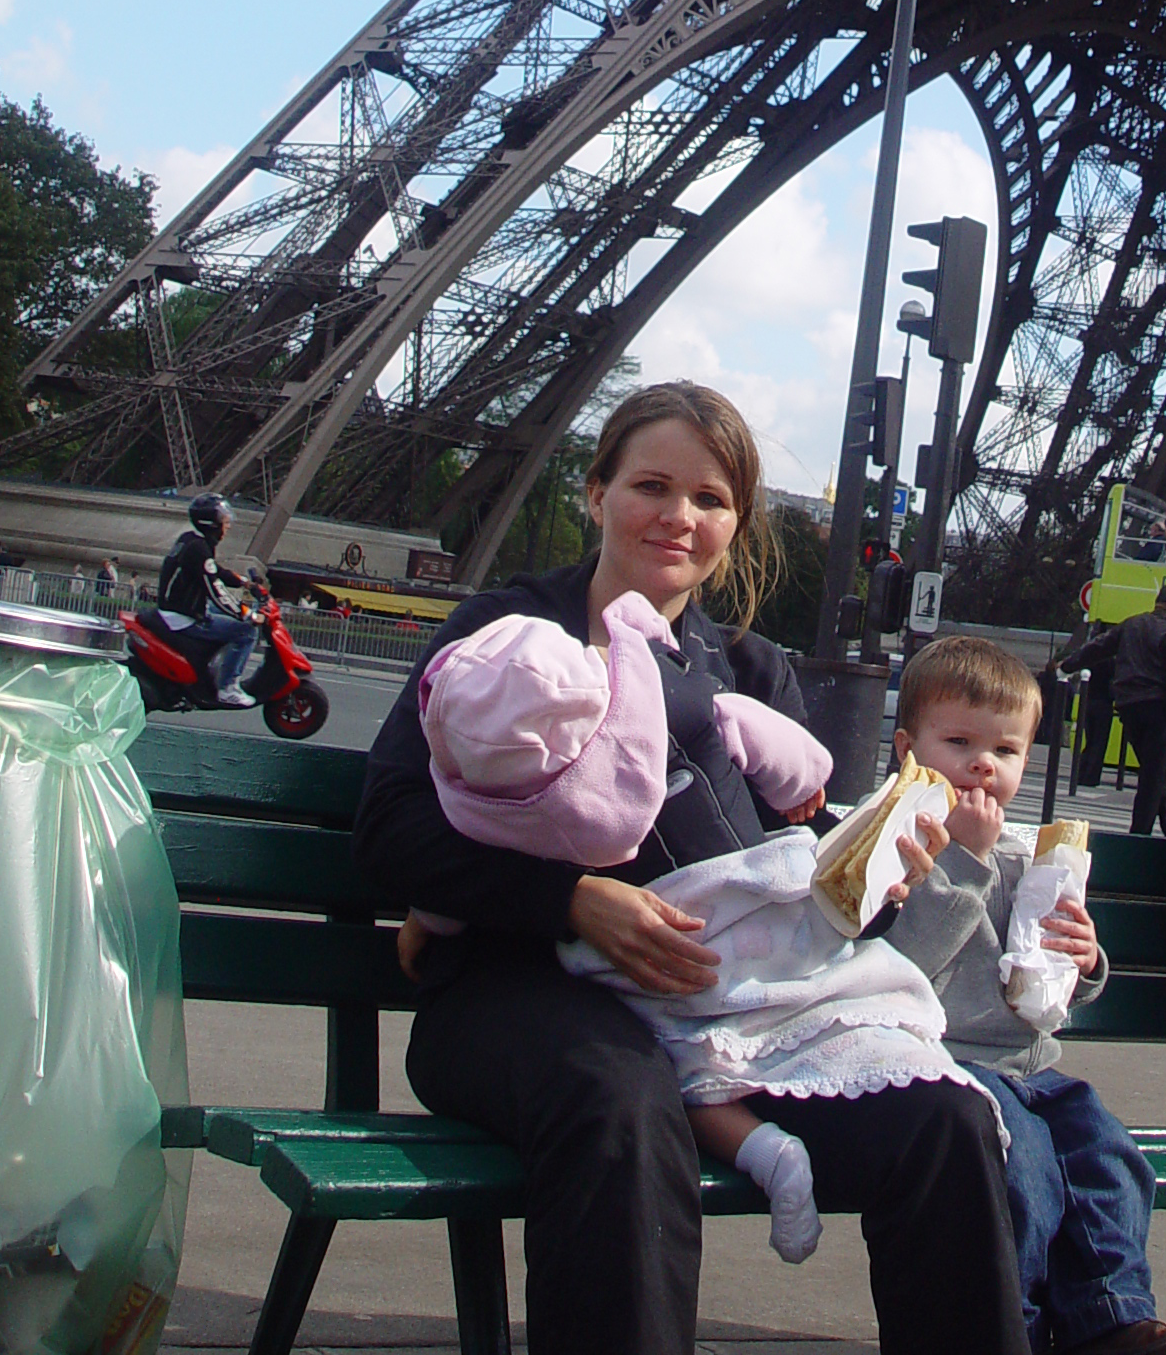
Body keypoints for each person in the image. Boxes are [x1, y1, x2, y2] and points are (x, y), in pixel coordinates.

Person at [354, 381, 1028, 1355]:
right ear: (597, 492)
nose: (679, 516)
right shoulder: (507, 636)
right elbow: (388, 826)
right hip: (516, 991)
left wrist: (884, 874)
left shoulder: (753, 675)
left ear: (738, 523)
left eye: (710, 499)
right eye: (652, 485)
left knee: (946, 1122)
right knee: (623, 1101)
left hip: (741, 1018)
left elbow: (806, 891)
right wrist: (571, 901)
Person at [887, 634, 1166, 1355]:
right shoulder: (898, 850)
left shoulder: (1026, 854)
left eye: (1006, 752)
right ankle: (1020, 1327)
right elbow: (904, 970)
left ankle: (1114, 1317)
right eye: (959, 742)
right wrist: (964, 861)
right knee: (1027, 1167)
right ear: (906, 750)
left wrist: (1086, 956)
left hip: (1030, 1068)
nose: (984, 763)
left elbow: (1046, 985)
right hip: (941, 1067)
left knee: (1108, 1157)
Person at [156, 495, 257, 706]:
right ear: (212, 524)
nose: (227, 526)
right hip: (183, 616)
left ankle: (213, 667)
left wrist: (243, 582)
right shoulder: (199, 549)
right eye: (225, 522)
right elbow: (216, 591)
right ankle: (228, 688)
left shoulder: (189, 540)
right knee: (246, 631)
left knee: (223, 616)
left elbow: (213, 570)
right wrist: (246, 613)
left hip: (176, 608)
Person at [1109, 582, 1166, 833]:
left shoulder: (1132, 624)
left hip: (1130, 706)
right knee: (1154, 776)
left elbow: (1100, 645)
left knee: (1155, 771)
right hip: (1161, 709)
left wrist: (1067, 665)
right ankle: (1141, 833)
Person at [1055, 615, 1121, 787]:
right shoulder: (1112, 660)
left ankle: (1081, 774)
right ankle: (1091, 777)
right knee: (1099, 742)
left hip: (1088, 700)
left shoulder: (1092, 658)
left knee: (1089, 740)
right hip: (1103, 703)